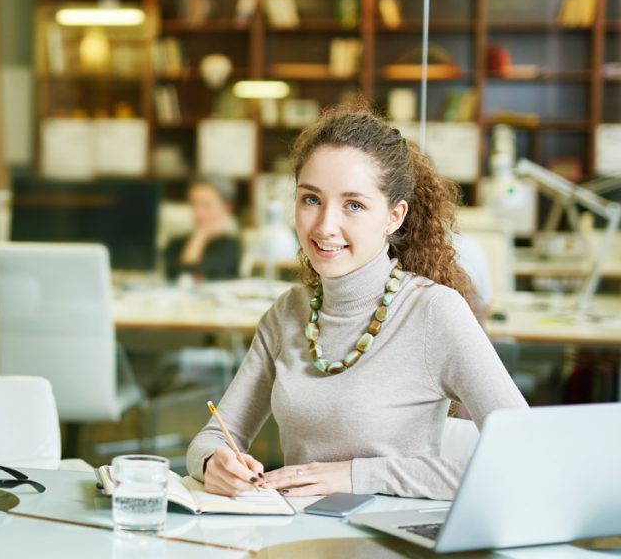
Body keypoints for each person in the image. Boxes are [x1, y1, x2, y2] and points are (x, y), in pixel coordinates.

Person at [187, 103, 527, 501]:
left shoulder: (435, 311)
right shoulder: (288, 313)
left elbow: (522, 457)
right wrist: (215, 462)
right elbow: (213, 435)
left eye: (353, 205)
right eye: (311, 199)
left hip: (391, 539)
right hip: (299, 535)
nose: (325, 226)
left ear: (394, 216)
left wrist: (355, 476)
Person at [164, 176, 242, 281]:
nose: (198, 212)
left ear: (226, 208)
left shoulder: (232, 245)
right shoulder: (175, 243)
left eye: (206, 205)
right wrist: (199, 236)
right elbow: (180, 277)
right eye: (193, 204)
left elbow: (198, 275)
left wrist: (201, 234)